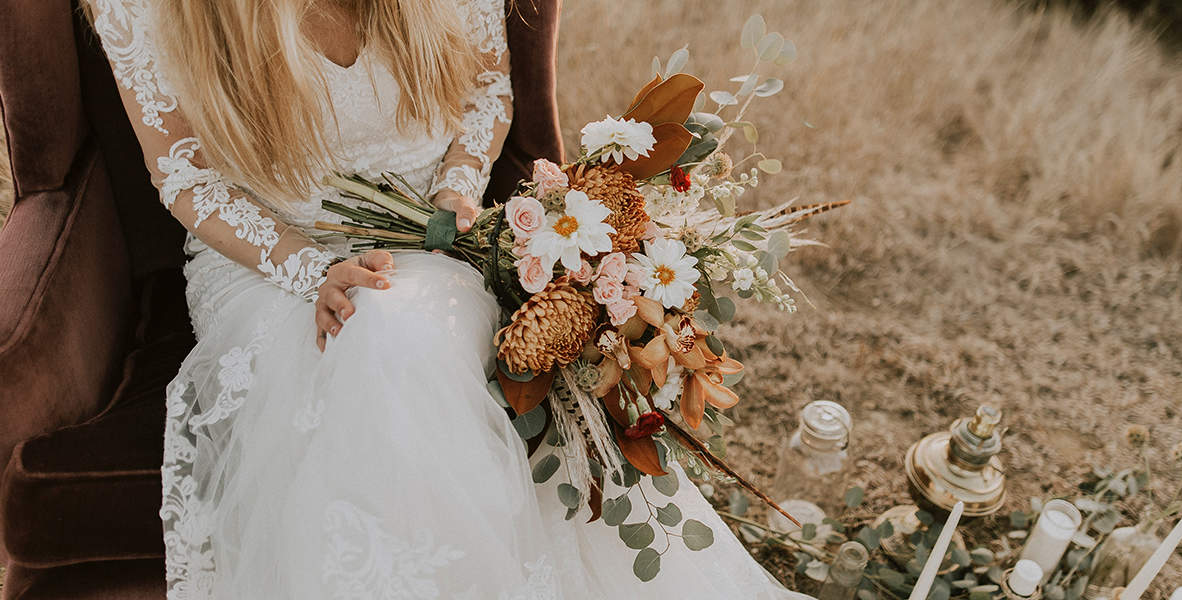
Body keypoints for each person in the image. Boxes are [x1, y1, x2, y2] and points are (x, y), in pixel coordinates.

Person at [81, 0, 813, 597]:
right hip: (269, 259)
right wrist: (309, 272)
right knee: (367, 340)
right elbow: (186, 176)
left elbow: (486, 90)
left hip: (427, 245)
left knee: (394, 331)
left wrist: (455, 195)